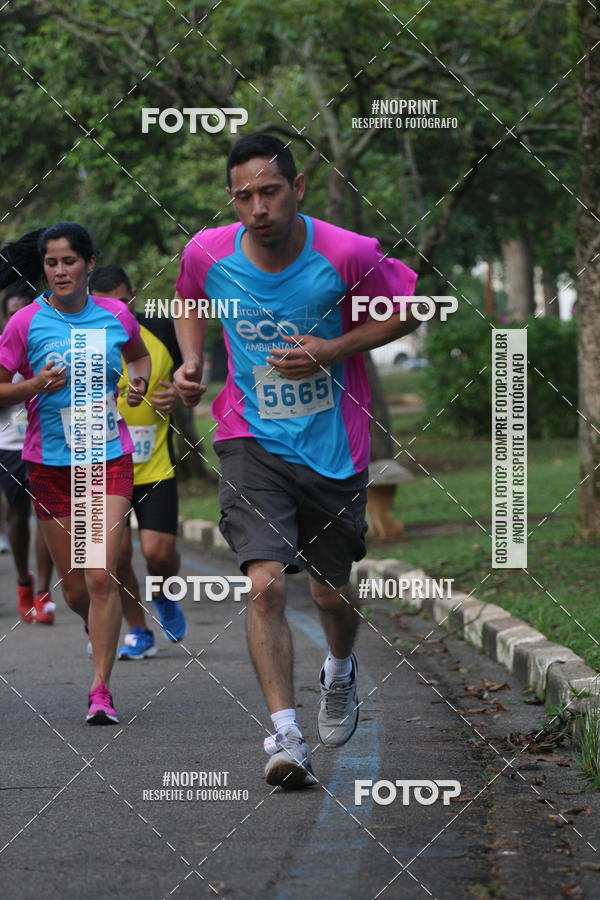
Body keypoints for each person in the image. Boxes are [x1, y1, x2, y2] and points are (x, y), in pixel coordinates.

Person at [172, 133, 420, 787]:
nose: (258, 206)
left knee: (330, 596)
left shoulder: (348, 251)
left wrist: (334, 348)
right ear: (233, 199)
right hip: (248, 437)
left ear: (298, 187)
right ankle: (286, 738)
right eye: (244, 195)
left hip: (333, 447)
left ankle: (339, 671)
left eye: (270, 191)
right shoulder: (207, 251)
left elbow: (406, 312)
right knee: (266, 585)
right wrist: (192, 360)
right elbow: (190, 300)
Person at [0, 223, 151, 724]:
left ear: (88, 263)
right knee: (75, 591)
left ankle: (100, 690)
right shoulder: (24, 323)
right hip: (49, 465)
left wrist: (139, 382)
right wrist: (35, 385)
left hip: (107, 458)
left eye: (69, 261)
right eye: (51, 263)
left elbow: (139, 355)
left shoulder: (116, 315)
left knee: (101, 575)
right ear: (43, 267)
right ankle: (100, 630)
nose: (60, 271)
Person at [88, 265, 185, 656]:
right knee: (119, 554)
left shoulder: (162, 329)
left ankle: (163, 593)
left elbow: (192, 374)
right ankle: (138, 629)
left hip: (155, 464)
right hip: (107, 463)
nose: (120, 308)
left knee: (158, 552)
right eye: (108, 302)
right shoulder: (84, 337)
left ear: (134, 296)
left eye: (125, 299)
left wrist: (177, 391)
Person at [0, 284, 55, 624]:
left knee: (46, 518)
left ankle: (44, 594)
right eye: (12, 312)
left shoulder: (48, 343)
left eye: (25, 310)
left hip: (47, 442)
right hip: (9, 446)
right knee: (19, 517)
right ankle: (24, 582)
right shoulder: (4, 349)